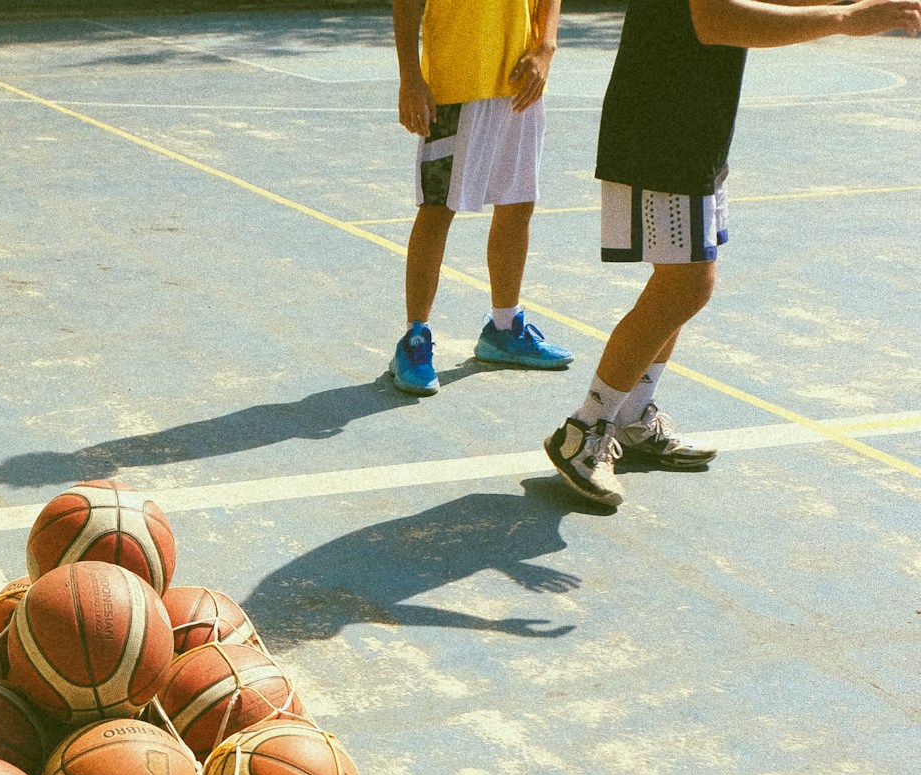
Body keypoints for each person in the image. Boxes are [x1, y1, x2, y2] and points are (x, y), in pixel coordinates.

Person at [544, 0, 921, 507]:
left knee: (681, 283)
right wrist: (844, 19)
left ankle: (631, 415)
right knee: (685, 286)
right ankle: (584, 430)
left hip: (693, 125)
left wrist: (849, 5)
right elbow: (717, 20)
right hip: (663, 124)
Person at [389, 0, 573, 396]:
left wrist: (546, 46)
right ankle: (415, 338)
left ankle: (504, 328)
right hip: (455, 82)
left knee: (518, 203)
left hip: (520, 81)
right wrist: (410, 77)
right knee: (437, 209)